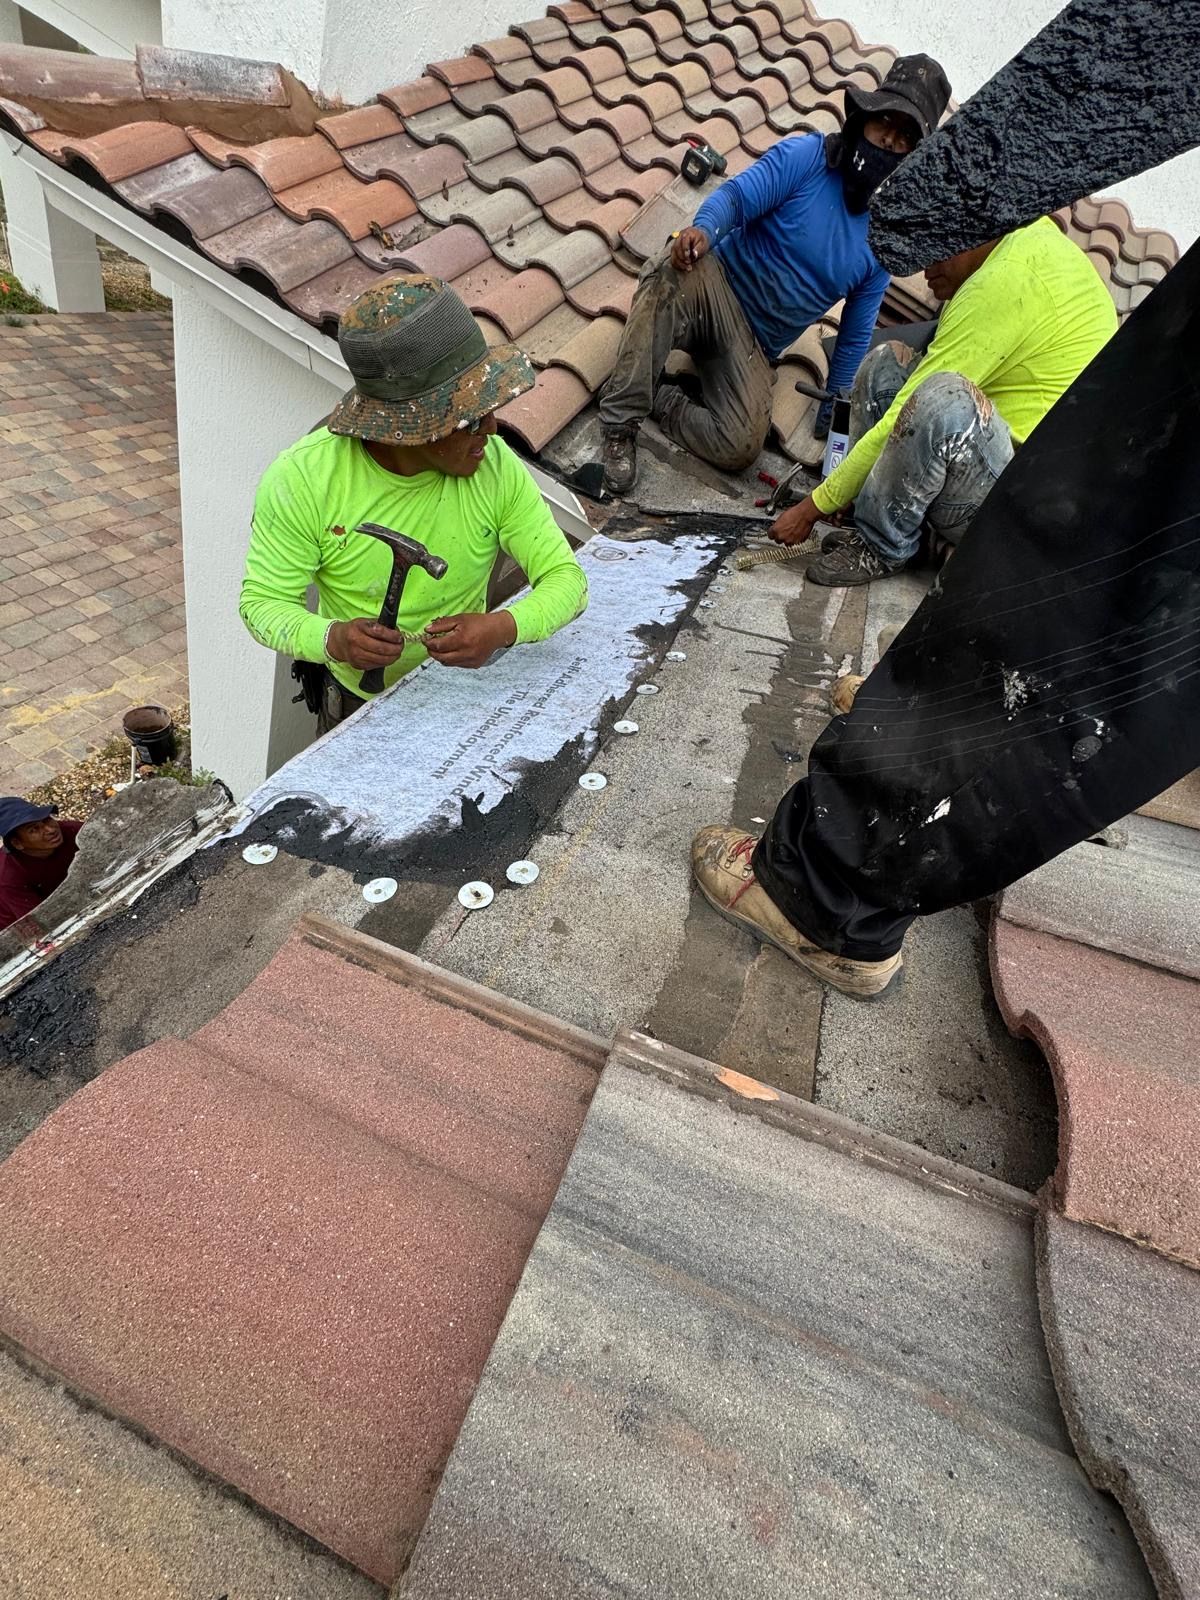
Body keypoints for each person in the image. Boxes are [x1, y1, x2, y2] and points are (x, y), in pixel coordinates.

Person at [240, 274, 589, 734]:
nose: (491, 429)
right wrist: (335, 639)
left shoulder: (494, 466)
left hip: (462, 699)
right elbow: (262, 604)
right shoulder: (304, 480)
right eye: (468, 417)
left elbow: (568, 581)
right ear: (404, 427)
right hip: (353, 706)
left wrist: (502, 627)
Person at [596, 54, 952, 494]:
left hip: (753, 345)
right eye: (885, 126)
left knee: (739, 446)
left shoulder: (883, 239)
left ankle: (660, 397)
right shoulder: (808, 158)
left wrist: (836, 412)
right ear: (864, 118)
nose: (889, 143)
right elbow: (737, 198)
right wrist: (703, 232)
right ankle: (620, 420)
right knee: (667, 273)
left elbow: (857, 335)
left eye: (904, 141)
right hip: (713, 285)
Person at [771, 217, 1118, 585]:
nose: (925, 272)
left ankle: (880, 548)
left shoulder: (1004, 284)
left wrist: (812, 507)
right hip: (994, 465)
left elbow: (911, 409)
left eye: (935, 256)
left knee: (940, 396)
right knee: (885, 364)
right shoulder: (1012, 246)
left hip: (1020, 509)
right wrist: (850, 491)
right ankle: (889, 527)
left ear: (969, 233)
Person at [0, 799, 81, 932]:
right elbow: (38, 924)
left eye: (46, 819)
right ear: (17, 843)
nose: (50, 829)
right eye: (34, 829)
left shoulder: (73, 831)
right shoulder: (8, 877)